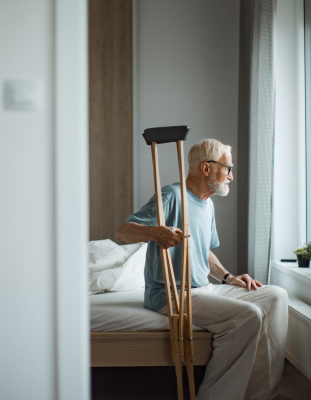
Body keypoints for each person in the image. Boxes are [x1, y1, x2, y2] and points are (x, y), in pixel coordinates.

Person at [116, 138, 288, 400]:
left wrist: (228, 277)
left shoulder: (208, 204)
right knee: (249, 316)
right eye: (227, 168)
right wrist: (155, 232)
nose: (231, 176)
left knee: (276, 296)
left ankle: (262, 394)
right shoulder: (172, 195)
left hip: (203, 288)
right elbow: (123, 231)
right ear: (207, 169)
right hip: (171, 294)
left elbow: (203, 251)